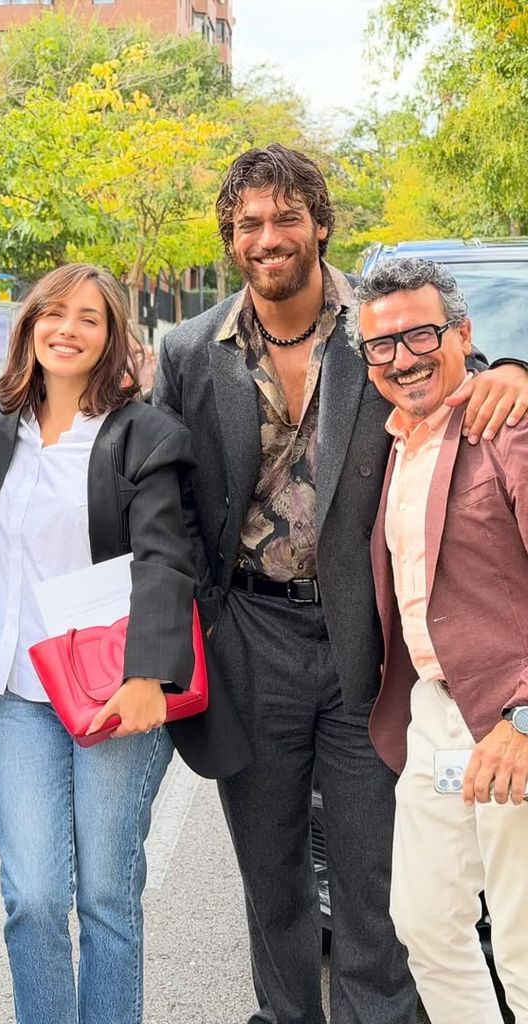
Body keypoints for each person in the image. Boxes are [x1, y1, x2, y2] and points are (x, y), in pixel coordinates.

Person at [152, 144, 528, 1024]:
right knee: (271, 873)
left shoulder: (381, 325)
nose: (269, 237)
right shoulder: (188, 349)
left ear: (321, 224)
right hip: (249, 636)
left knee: (378, 879)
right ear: (230, 239)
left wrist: (516, 374)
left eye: (287, 217)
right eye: (249, 224)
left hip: (371, 647)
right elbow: (158, 497)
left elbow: (469, 381)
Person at [0, 263, 250, 1024]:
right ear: (28, 324)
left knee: (107, 894)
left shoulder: (142, 435)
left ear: (112, 336)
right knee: (32, 895)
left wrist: (150, 672)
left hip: (117, 690)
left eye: (89, 318)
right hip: (24, 693)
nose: (69, 329)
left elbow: (165, 555)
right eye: (54, 313)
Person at [348, 257, 528, 1023]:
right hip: (434, 712)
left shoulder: (508, 428)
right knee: (425, 923)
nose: (402, 359)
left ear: (462, 333)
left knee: (523, 944)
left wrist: (524, 721)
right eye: (380, 347)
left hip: (512, 712)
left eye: (419, 335)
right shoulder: (399, 443)